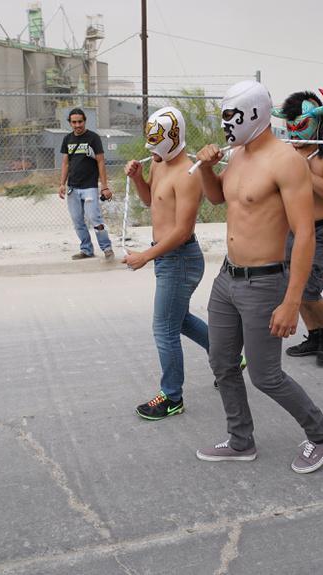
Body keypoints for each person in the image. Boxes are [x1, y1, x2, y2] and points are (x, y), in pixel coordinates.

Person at [193, 80, 323, 474]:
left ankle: (321, 432)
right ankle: (240, 440)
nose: (227, 125)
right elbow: (219, 197)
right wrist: (207, 168)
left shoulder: (286, 160)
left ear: (255, 114)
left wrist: (292, 301)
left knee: (266, 376)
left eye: (232, 117)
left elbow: (306, 233)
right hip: (227, 278)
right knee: (222, 362)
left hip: (264, 281)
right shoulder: (238, 154)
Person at [123, 107, 210, 420]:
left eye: (158, 147)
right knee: (179, 319)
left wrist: (146, 256)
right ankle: (227, 357)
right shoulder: (160, 164)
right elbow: (151, 201)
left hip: (180, 258)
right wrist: (136, 178)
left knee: (164, 329)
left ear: (174, 139)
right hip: (166, 256)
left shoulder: (189, 174)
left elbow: (183, 230)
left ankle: (172, 397)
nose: (154, 154)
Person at [272, 89, 323, 366]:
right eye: (289, 124)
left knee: (309, 290)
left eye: (301, 124)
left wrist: (302, 172)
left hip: (320, 230)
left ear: (318, 122)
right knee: (294, 286)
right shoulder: (285, 153)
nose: (294, 131)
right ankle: (315, 335)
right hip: (290, 229)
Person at [58, 108, 114, 260]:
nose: (77, 125)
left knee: (95, 218)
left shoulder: (93, 138)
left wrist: (104, 186)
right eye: (74, 122)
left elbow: (101, 161)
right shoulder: (67, 139)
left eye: (80, 122)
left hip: (89, 186)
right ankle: (86, 250)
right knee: (77, 221)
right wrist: (62, 184)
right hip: (73, 188)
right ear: (70, 123)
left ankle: (107, 248)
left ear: (85, 121)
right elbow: (65, 163)